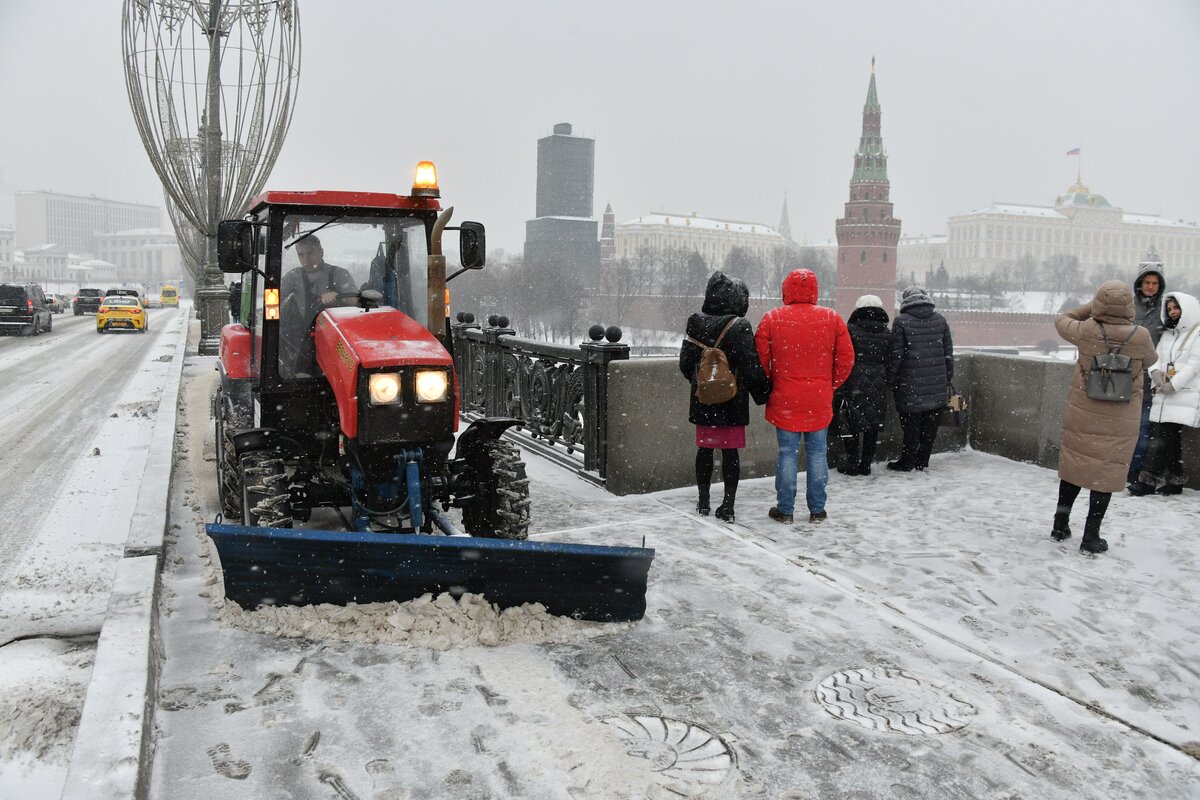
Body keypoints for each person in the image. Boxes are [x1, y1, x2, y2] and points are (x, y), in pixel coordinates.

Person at [1053, 281, 1157, 553]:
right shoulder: (1141, 335)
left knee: (1075, 466)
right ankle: (1091, 537)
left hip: (1083, 413)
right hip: (1120, 419)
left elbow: (1063, 320)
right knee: (1106, 473)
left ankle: (1060, 524)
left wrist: (1093, 308)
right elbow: (1151, 360)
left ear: (1099, 303)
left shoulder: (1087, 330)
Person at [755, 268, 854, 524]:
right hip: (818, 400)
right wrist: (828, 384)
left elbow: (760, 360)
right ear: (815, 291)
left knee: (787, 453)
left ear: (786, 289)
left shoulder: (772, 318)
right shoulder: (832, 318)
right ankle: (817, 510)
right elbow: (846, 359)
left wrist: (773, 382)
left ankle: (785, 509)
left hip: (785, 399)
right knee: (818, 454)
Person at [679, 272, 770, 522]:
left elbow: (685, 363)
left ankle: (703, 502)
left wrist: (703, 384)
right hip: (732, 402)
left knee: (705, 450)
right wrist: (763, 394)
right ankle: (728, 506)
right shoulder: (740, 326)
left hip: (704, 400)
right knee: (730, 454)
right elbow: (751, 367)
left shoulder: (694, 322)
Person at [1128, 292, 1200, 496]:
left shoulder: (1197, 333)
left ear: (1187, 309)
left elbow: (1195, 364)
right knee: (1169, 437)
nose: (1173, 312)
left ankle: (1149, 480)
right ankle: (1176, 478)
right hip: (1164, 392)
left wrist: (1173, 384)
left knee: (1165, 437)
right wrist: (1156, 374)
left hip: (1182, 394)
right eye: (1169, 309)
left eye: (1176, 308)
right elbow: (1155, 358)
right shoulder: (1169, 333)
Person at [886, 285, 953, 471]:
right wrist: (947, 377)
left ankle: (907, 461)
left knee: (911, 426)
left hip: (910, 384)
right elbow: (948, 352)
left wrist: (891, 379)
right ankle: (922, 461)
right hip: (936, 384)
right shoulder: (940, 320)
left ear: (905, 301)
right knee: (930, 426)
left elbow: (896, 355)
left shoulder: (901, 322)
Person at [280, 235, 357, 377]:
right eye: (301, 255)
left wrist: (337, 296)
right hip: (304, 342)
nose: (306, 259)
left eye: (310, 253)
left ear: (321, 252)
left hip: (337, 343)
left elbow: (355, 301)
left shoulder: (339, 274)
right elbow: (273, 297)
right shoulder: (293, 276)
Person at [833, 294, 892, 476]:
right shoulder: (887, 333)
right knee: (872, 424)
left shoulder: (849, 330)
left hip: (853, 381)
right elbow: (891, 359)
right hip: (878, 383)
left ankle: (852, 463)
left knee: (849, 422)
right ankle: (866, 464)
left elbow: (841, 357)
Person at [1128, 265, 1166, 484]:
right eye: (1147, 282)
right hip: (1125, 375)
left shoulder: (1164, 309)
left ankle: (1134, 470)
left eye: (1155, 283)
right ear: (1140, 284)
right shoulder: (1129, 306)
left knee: (1143, 428)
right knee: (1120, 426)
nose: (1150, 287)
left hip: (1150, 375)